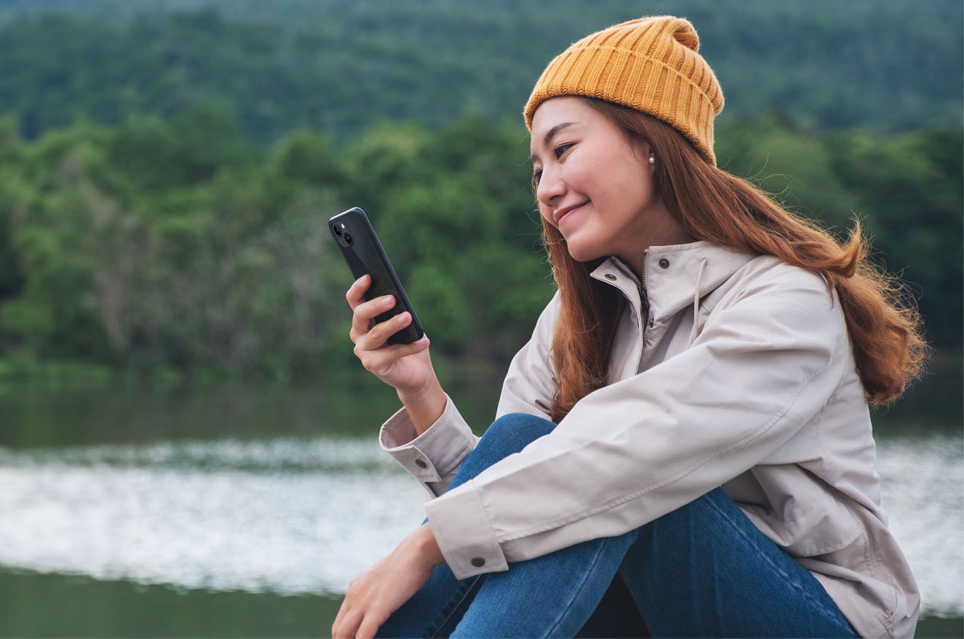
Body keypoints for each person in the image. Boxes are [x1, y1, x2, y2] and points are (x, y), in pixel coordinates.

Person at [331, 15, 926, 639]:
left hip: (818, 616)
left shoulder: (786, 301)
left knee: (617, 492)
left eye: (563, 150)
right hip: (654, 606)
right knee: (524, 444)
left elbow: (620, 465)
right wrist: (421, 393)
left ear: (649, 140)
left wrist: (424, 547)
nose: (546, 188)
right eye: (536, 170)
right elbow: (505, 503)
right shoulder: (574, 316)